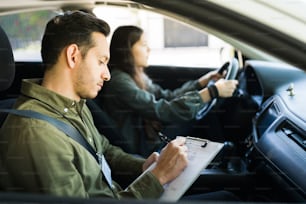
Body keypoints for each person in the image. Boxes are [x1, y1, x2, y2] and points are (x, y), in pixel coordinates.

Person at [0, 11, 188, 199]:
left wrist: (143, 166)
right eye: (101, 62)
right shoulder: (38, 133)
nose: (107, 75)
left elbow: (103, 150)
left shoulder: (74, 105)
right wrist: (157, 177)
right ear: (73, 56)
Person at [98, 25, 239, 157]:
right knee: (196, 118)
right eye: (144, 45)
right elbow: (162, 110)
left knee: (195, 116)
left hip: (147, 137)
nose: (149, 50)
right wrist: (211, 92)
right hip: (140, 147)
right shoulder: (120, 81)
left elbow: (168, 97)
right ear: (127, 49)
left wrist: (201, 83)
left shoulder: (136, 76)